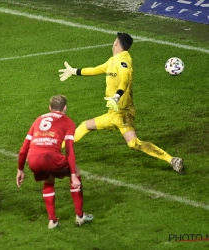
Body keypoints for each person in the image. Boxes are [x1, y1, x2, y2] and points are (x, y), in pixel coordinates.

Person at [58, 32, 184, 174]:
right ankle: (55, 149)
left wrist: (116, 97)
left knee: (133, 142)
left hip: (123, 112)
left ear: (117, 43)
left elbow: (124, 80)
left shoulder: (124, 62)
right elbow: (95, 70)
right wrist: (74, 71)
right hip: (114, 113)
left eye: (114, 40)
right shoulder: (113, 60)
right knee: (87, 127)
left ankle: (172, 160)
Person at [16, 95, 93, 229]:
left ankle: (52, 221)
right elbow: (69, 149)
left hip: (33, 159)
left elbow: (23, 150)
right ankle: (80, 216)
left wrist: (20, 169)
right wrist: (74, 175)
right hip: (51, 157)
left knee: (49, 178)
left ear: (50, 107)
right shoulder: (68, 122)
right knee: (76, 169)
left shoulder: (38, 119)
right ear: (65, 108)